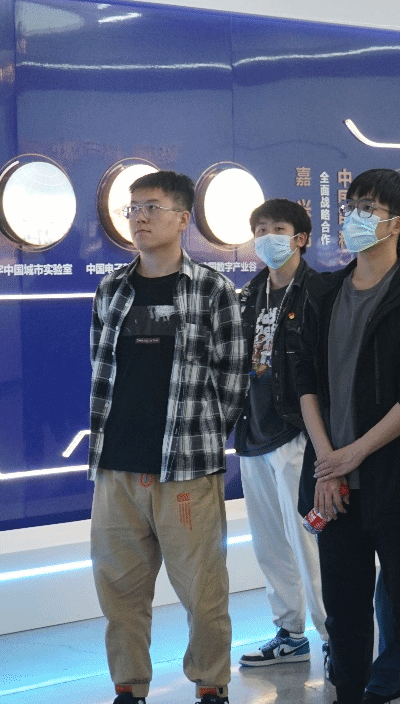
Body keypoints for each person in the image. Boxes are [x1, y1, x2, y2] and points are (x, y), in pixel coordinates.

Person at [295, 169, 400, 704]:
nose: (355, 217)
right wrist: (328, 461)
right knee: (344, 609)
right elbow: (304, 380)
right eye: (352, 206)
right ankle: (348, 692)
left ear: (397, 224)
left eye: (369, 208)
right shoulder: (324, 291)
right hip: (335, 484)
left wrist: (355, 453)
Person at [88, 170, 247, 704]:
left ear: (183, 219)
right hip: (116, 467)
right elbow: (101, 369)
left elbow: (232, 377)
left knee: (204, 592)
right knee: (119, 594)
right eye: (132, 208)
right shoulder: (111, 289)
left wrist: (201, 436)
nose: (139, 217)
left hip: (186, 470)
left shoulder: (213, 289)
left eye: (151, 207)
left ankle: (210, 685)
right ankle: (128, 687)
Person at [234, 199, 329, 671]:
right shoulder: (249, 294)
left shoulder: (319, 292)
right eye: (260, 229)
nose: (267, 236)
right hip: (253, 431)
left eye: (277, 228)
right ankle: (290, 633)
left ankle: (334, 635)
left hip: (298, 434)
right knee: (269, 543)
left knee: (309, 541)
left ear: (300, 238)